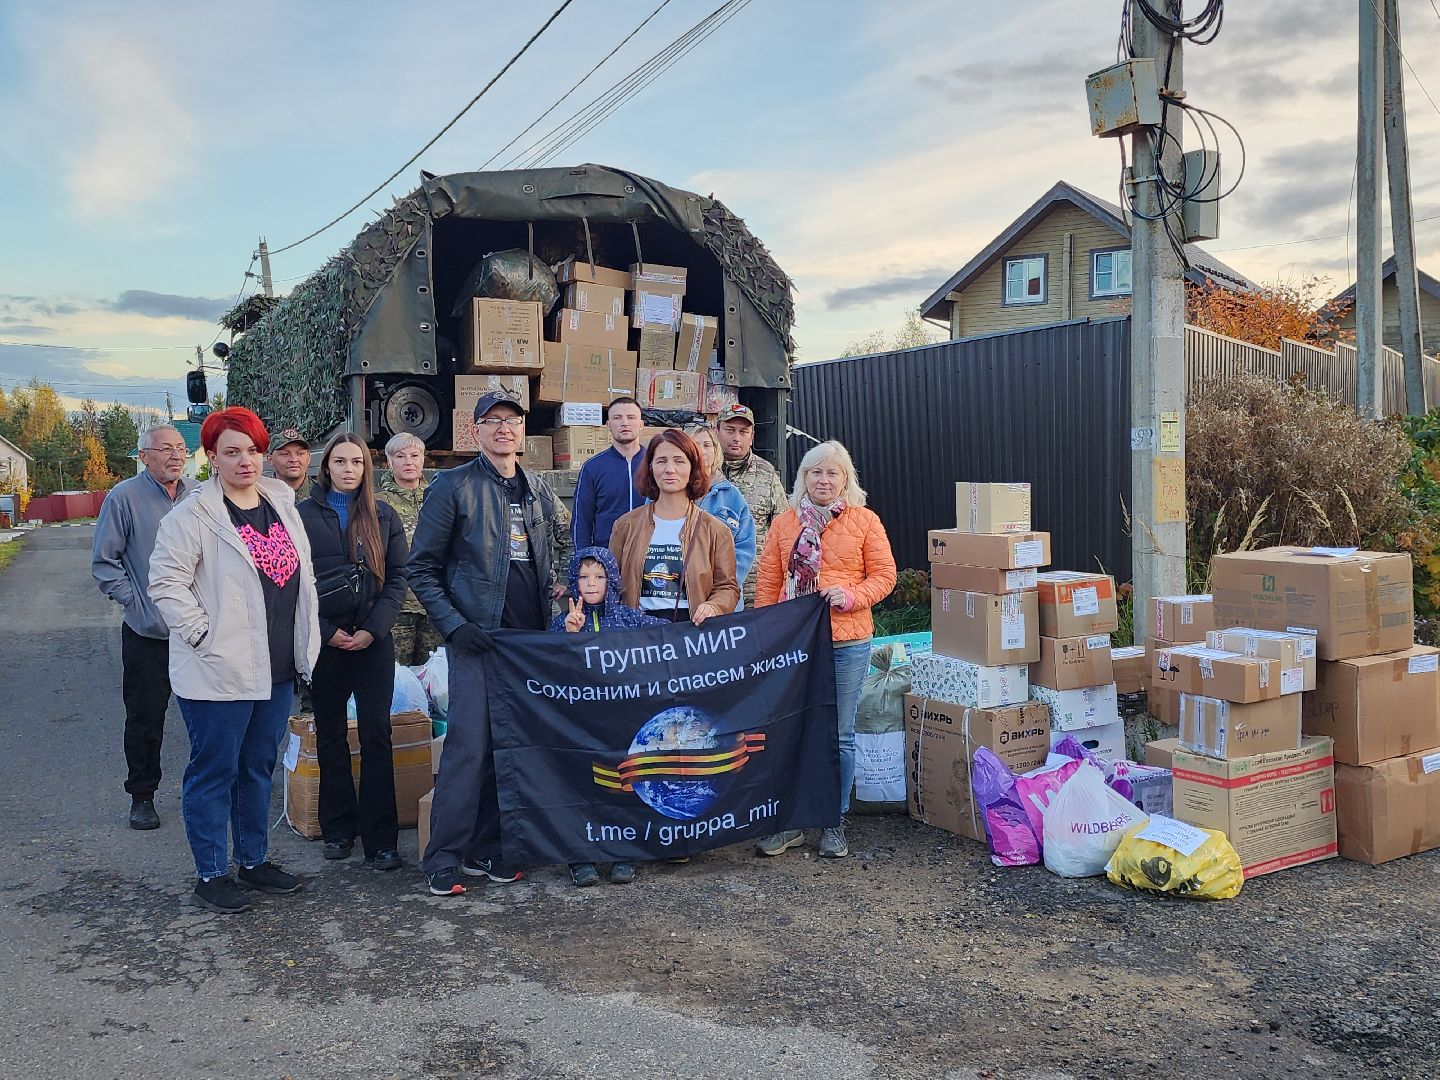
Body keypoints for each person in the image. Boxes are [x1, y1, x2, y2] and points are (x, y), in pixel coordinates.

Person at [147, 407, 321, 914]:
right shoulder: (193, 515)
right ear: (211, 457)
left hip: (277, 665)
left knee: (258, 765)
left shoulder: (282, 502)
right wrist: (204, 636)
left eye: (252, 449)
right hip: (218, 669)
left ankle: (253, 860)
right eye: (231, 451)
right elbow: (166, 582)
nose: (245, 460)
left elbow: (299, 581)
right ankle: (210, 872)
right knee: (214, 769)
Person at [408, 391, 571, 897]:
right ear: (474, 431)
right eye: (493, 420)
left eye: (513, 420)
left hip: (529, 644)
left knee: (512, 749)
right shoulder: (453, 486)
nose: (505, 428)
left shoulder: (539, 490)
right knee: (469, 749)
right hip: (478, 639)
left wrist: (563, 586)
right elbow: (421, 567)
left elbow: (563, 543)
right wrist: (456, 627)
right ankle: (444, 857)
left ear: (523, 432)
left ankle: (488, 846)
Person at [752, 440, 896, 861]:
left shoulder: (865, 522)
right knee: (791, 729)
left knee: (840, 734)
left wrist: (851, 595)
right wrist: (767, 635)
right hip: (794, 644)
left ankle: (833, 819)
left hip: (846, 641)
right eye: (816, 472)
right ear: (803, 478)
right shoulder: (784, 523)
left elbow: (884, 576)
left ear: (846, 480)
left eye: (833, 473)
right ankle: (792, 821)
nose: (824, 480)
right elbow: (767, 583)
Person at [298, 433, 409, 872]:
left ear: (367, 469)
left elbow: (400, 576)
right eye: (340, 461)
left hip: (372, 643)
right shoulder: (301, 516)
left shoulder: (384, 516)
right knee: (330, 735)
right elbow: (294, 582)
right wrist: (326, 632)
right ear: (326, 467)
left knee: (376, 735)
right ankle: (339, 828)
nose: (348, 469)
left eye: (357, 462)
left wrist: (372, 630)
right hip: (326, 644)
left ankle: (381, 839)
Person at [91, 425, 198, 830]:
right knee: (145, 717)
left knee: (209, 716)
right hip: (148, 633)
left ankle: (210, 790)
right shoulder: (123, 498)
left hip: (198, 632)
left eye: (180, 449)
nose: (175, 456)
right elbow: (105, 563)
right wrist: (137, 603)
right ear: (144, 455)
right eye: (165, 449)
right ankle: (142, 795)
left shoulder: (200, 495)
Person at [549, 546, 665, 888]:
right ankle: (579, 855)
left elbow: (667, 636)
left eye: (599, 576)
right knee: (580, 785)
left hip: (619, 722)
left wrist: (704, 622)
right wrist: (568, 634)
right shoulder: (562, 622)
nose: (591, 583)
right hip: (578, 724)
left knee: (620, 782)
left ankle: (621, 850)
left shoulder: (628, 618)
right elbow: (546, 661)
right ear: (574, 582)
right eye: (583, 577)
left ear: (611, 580)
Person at [608, 428, 740, 626]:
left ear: (692, 468)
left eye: (679, 461)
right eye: (662, 461)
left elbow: (727, 587)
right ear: (650, 467)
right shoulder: (625, 527)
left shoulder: (716, 531)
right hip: (637, 635)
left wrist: (714, 606)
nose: (670, 469)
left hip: (692, 632)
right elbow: (610, 584)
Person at [375, 432, 443, 667]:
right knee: (397, 679)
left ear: (423, 459)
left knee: (434, 679)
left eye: (414, 455)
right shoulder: (378, 502)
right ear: (389, 462)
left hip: (434, 602)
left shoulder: (440, 497)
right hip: (397, 605)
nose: (408, 462)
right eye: (400, 456)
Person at [715, 403, 787, 605]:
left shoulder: (767, 474)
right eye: (730, 430)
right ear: (716, 430)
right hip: (711, 589)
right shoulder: (702, 474)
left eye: (743, 432)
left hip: (756, 589)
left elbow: (784, 529)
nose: (736, 438)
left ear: (752, 435)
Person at [686, 421, 757, 610]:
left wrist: (725, 585)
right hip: (680, 596)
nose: (701, 450)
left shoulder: (732, 496)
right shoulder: (668, 493)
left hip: (723, 600)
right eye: (694, 444)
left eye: (707, 445)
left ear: (716, 451)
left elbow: (745, 547)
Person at [572, 396, 647, 548]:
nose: (624, 423)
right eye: (617, 418)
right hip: (608, 555)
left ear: (641, 424)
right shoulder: (593, 467)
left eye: (631, 417)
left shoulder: (655, 463)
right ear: (608, 425)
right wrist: (585, 557)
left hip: (650, 554)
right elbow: (581, 519)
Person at [268, 428, 312, 497]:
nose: (293, 459)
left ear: (309, 457)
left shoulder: (323, 493)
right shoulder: (261, 495)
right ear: (270, 459)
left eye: (300, 453)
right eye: (285, 454)